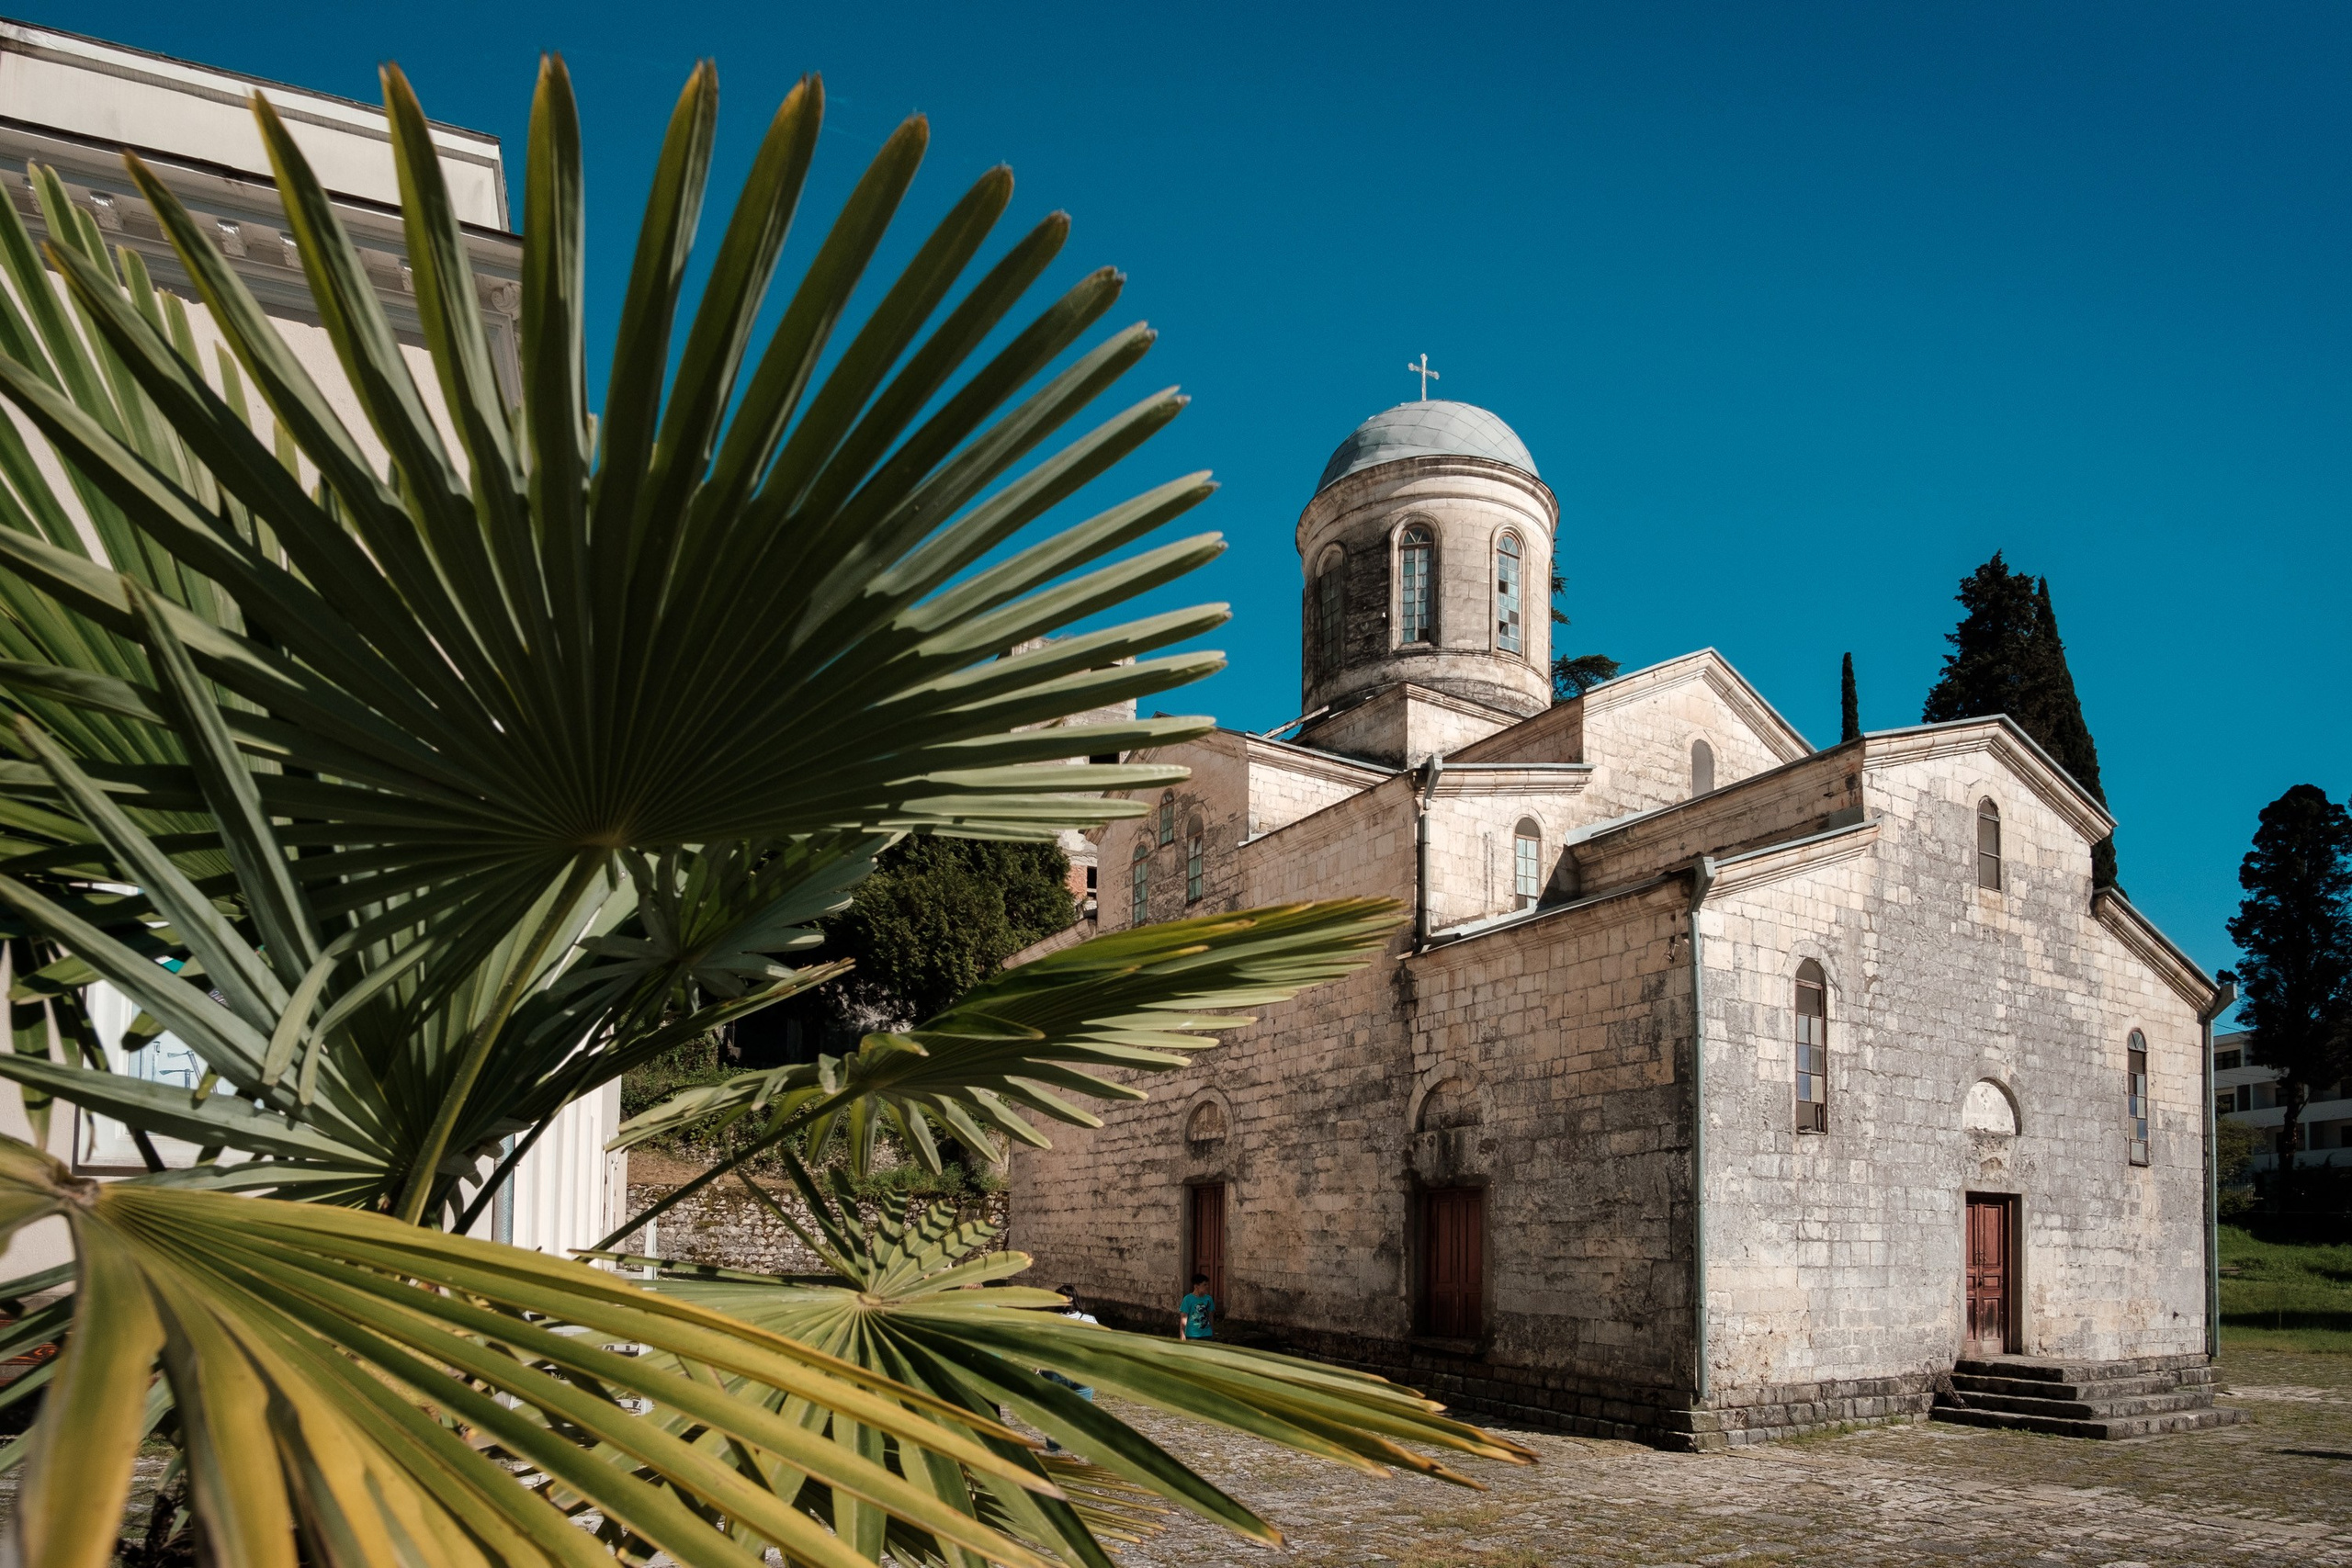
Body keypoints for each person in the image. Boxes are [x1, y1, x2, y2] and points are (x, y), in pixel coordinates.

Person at [1039, 1283, 1098, 1454]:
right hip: (1083, 1370)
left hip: (1056, 1370)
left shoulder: (1049, 1321)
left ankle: (1054, 1449)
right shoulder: (1090, 1320)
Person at [1177, 1272, 1216, 1341]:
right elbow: (1184, 1316)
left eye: (1207, 1284)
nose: (1207, 1287)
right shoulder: (1188, 1299)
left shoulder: (1209, 1299)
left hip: (1207, 1334)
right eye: (1204, 1285)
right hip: (1192, 1334)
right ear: (1196, 1286)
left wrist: (1212, 1331)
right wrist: (1182, 1332)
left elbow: (1210, 1316)